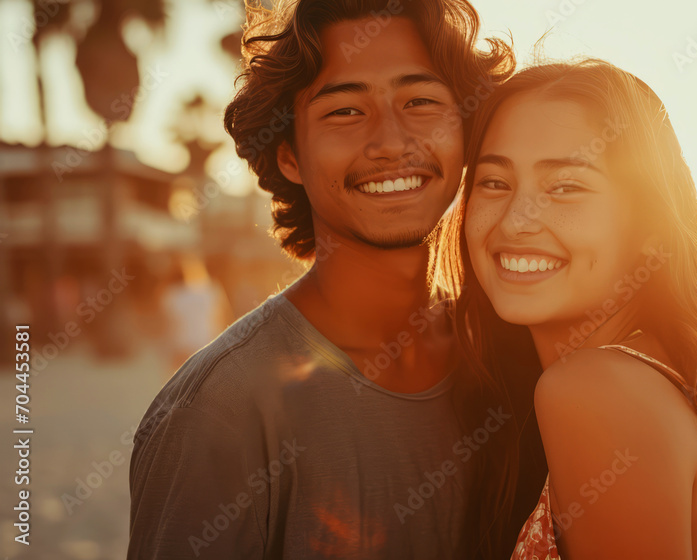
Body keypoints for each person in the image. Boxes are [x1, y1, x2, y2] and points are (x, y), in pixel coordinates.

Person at [127, 1, 547, 558]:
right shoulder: (220, 410)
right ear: (290, 156)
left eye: (420, 101)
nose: (392, 142)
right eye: (346, 111)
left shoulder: (511, 359)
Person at [437, 59, 697, 559]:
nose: (516, 222)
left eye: (565, 186)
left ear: (651, 230)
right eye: (494, 182)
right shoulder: (651, 374)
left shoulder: (594, 388)